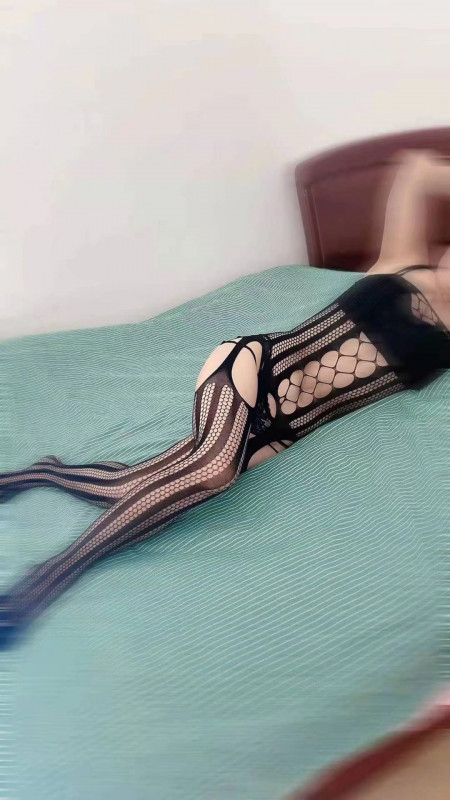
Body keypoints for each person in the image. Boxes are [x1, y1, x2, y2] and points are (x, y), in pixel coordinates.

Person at [1, 149, 449, 648]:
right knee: (213, 472)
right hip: (253, 366)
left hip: (284, 431)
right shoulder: (401, 262)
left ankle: (43, 472)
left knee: (137, 485)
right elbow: (418, 172)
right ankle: (48, 578)